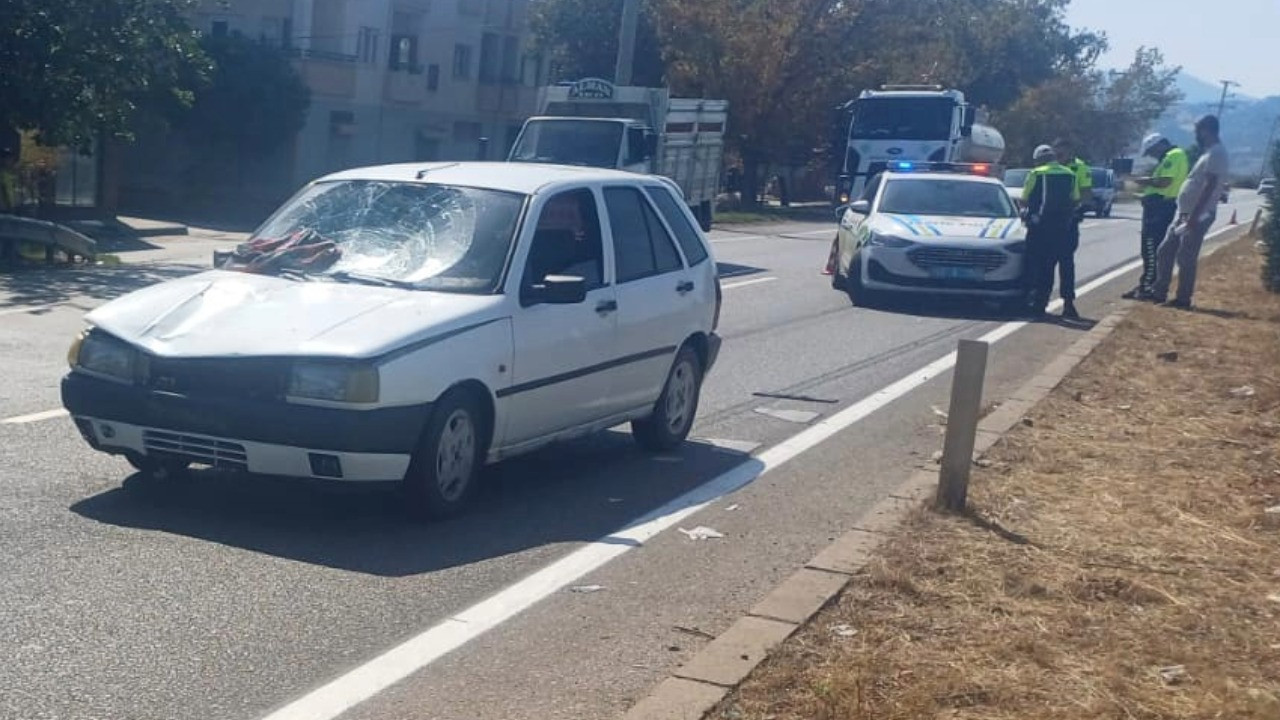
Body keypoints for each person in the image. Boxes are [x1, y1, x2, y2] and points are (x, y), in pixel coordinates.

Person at [1150, 115, 1229, 309]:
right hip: (1184, 213)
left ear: (1206, 130)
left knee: (1186, 256)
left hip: (1197, 214)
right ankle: (1159, 292)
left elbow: (1209, 186)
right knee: (1165, 251)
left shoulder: (1217, 153)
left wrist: (1194, 216)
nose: (1196, 135)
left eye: (1197, 131)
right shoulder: (1208, 152)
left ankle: (1183, 299)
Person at [1123, 134, 1188, 299]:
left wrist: (1142, 181)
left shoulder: (1173, 156)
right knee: (1149, 248)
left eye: (1152, 152)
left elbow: (1164, 182)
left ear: (1159, 145)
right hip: (1157, 205)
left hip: (1160, 207)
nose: (1152, 156)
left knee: (1151, 248)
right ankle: (1146, 283)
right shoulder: (1171, 156)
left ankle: (1148, 287)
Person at [1021, 144, 1080, 318]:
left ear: (1038, 161)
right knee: (1066, 266)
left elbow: (1024, 199)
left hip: (1041, 228)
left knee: (1044, 266)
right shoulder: (1070, 174)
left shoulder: (1036, 174)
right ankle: (1069, 304)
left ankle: (1040, 303)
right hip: (1065, 228)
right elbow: (1076, 199)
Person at [1053, 138, 1091, 318]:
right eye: (1056, 152)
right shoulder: (1049, 167)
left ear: (1069, 151)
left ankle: (1068, 302)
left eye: (1062, 152)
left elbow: (1086, 192)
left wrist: (1078, 210)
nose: (1059, 155)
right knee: (1045, 263)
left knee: (1066, 263)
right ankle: (1039, 301)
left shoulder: (1080, 167)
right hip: (1049, 221)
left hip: (1068, 220)